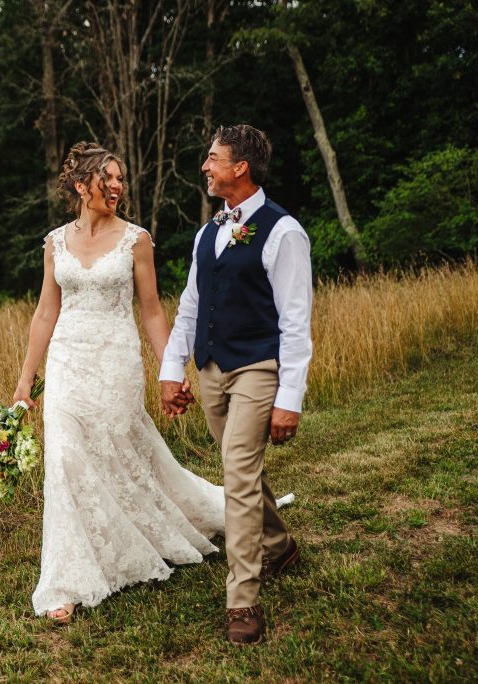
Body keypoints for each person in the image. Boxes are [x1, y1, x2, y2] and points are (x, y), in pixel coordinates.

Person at [12, 142, 227, 625]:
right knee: (65, 458)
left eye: (121, 178)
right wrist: (26, 380)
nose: (116, 186)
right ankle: (66, 581)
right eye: (107, 178)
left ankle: (144, 535)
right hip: (68, 360)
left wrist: (171, 370)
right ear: (80, 185)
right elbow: (46, 311)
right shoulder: (55, 243)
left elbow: (151, 310)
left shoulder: (137, 240)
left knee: (119, 454)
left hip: (115, 361)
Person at [159, 124, 313, 645]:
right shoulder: (208, 232)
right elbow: (190, 308)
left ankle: (242, 600)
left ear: (240, 167)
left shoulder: (284, 231)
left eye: (212, 157)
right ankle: (279, 543)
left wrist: (289, 400)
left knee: (239, 475)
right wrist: (170, 369)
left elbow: (295, 323)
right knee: (238, 465)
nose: (205, 166)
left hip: (257, 368)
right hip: (210, 371)